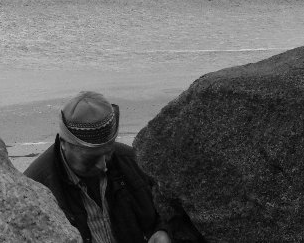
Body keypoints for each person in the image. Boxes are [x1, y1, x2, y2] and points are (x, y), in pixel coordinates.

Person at [24, 91, 201, 243]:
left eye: (108, 152)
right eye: (91, 158)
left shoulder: (131, 160)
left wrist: (163, 231)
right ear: (64, 144)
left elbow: (172, 211)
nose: (103, 165)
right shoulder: (35, 189)